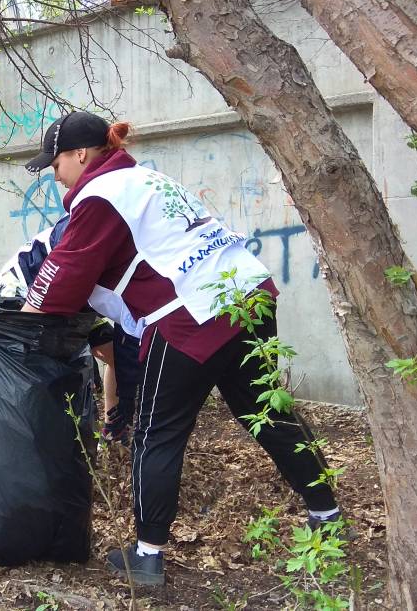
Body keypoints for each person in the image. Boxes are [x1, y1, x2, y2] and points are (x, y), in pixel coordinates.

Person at [20, 111, 345, 586]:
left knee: (157, 431)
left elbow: (65, 274)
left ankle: (148, 555)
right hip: (248, 292)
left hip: (191, 314)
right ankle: (327, 512)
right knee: (264, 409)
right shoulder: (145, 179)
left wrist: (20, 325)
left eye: (55, 163)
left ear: (80, 155)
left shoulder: (99, 195)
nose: (54, 174)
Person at [0, 215, 140, 444]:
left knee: (115, 353)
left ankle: (113, 430)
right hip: (23, 290)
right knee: (41, 367)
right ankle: (26, 433)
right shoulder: (88, 226)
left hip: (78, 296)